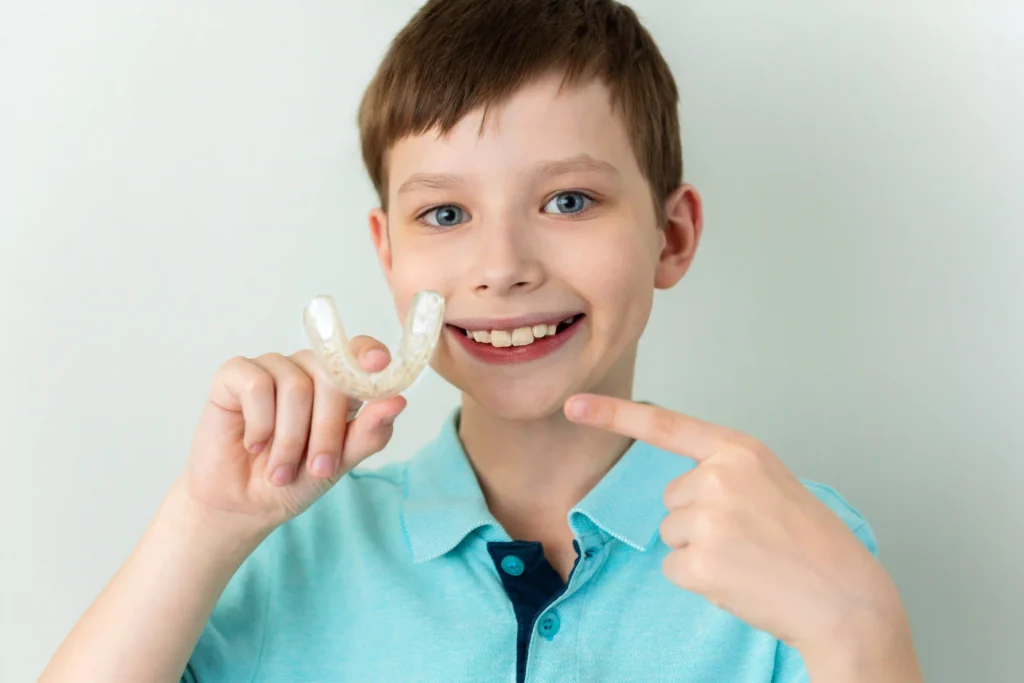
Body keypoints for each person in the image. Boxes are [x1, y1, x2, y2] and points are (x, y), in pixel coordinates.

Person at [40, 1, 923, 681]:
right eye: (446, 213)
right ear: (389, 255)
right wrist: (202, 525)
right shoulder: (290, 546)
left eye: (569, 200)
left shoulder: (793, 538)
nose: (501, 267)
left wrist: (863, 635)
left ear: (673, 235)